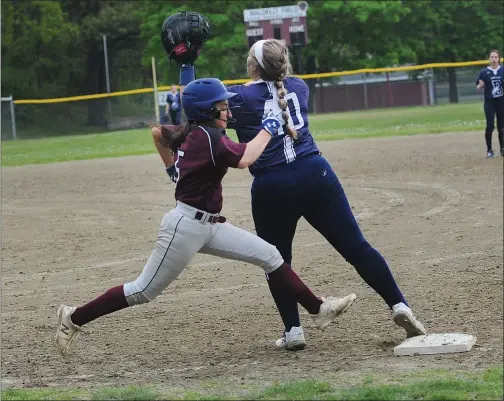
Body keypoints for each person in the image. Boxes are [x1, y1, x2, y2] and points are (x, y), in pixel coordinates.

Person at [54, 77, 357, 356]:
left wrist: (172, 167)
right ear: (205, 109)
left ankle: (318, 310)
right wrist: (268, 127)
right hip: (184, 227)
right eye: (221, 104)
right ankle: (73, 317)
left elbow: (158, 133)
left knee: (271, 256)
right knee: (143, 290)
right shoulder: (209, 137)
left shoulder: (195, 131)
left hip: (210, 225)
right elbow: (248, 158)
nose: (227, 108)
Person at [218, 39, 426, 350]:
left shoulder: (241, 97)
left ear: (253, 66)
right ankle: (400, 305)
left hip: (272, 185)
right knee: (357, 247)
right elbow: (274, 89)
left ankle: (293, 331)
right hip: (316, 174)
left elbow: (205, 107)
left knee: (277, 261)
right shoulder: (299, 87)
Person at [476, 49, 504, 158]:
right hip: (489, 102)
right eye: (492, 57)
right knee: (490, 126)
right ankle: (489, 150)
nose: (494, 59)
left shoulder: (502, 70)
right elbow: (478, 86)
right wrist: (480, 85)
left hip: (501, 102)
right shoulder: (484, 72)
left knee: (502, 127)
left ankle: (502, 149)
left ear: (499, 59)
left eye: (496, 57)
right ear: (489, 59)